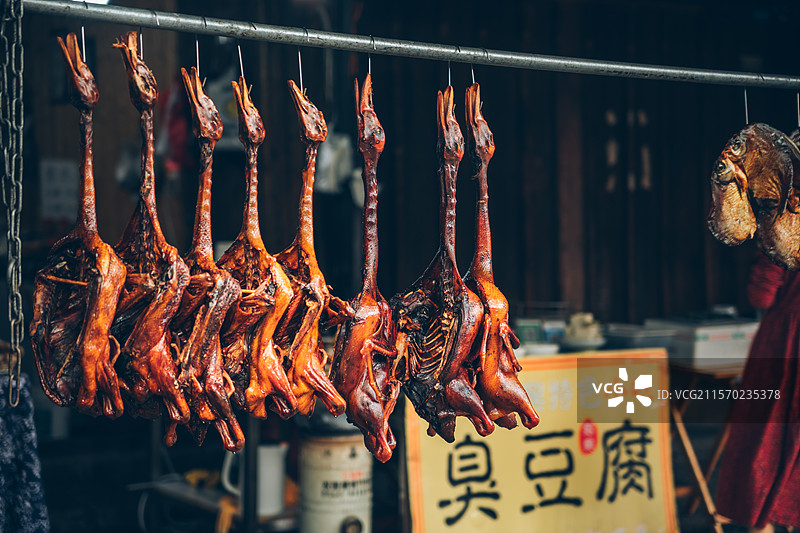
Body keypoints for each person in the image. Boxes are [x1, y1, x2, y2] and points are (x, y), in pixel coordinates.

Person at [716, 250, 800, 532]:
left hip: (786, 345)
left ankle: (761, 522)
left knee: (766, 441)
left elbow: (761, 296)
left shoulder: (787, 221)